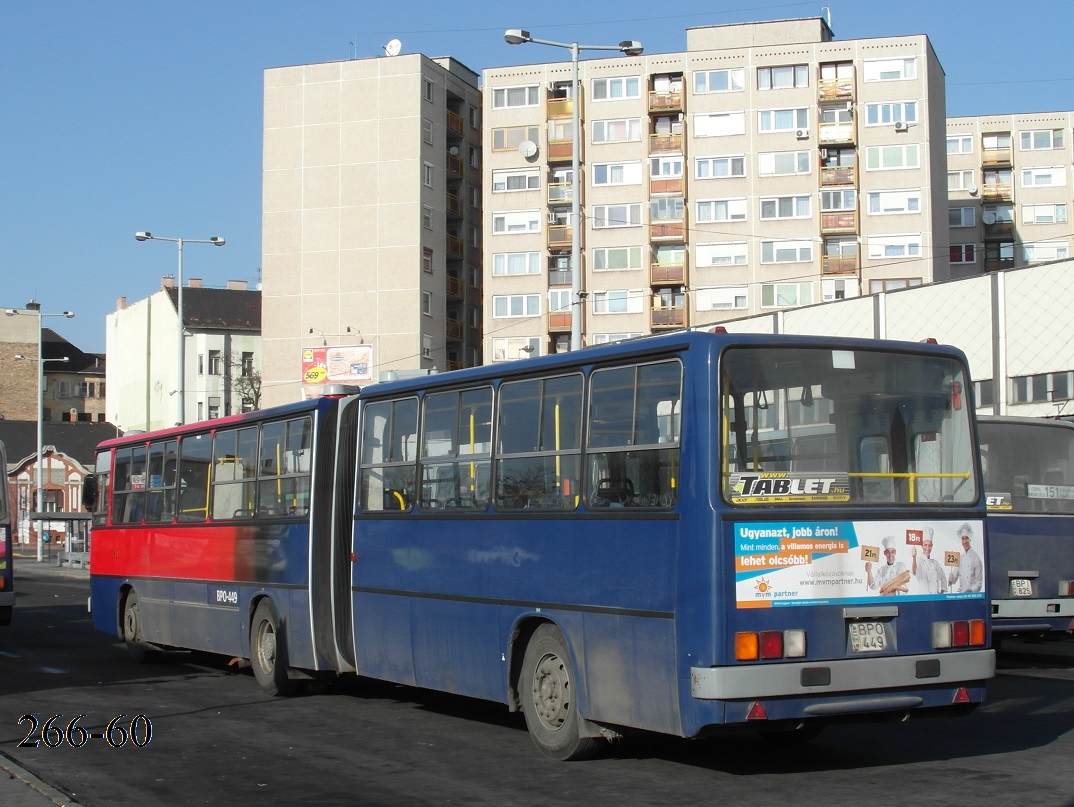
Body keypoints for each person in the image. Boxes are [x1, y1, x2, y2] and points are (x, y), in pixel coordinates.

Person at [948, 522, 984, 592]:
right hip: (961, 595)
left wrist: (970, 590)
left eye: (966, 538)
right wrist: (951, 580)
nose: (964, 541)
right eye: (963, 538)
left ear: (970, 539)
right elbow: (954, 578)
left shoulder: (976, 558)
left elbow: (979, 584)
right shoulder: (960, 557)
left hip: (972, 596)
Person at [911, 528, 947, 594]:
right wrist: (914, 557)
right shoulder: (918, 560)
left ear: (932, 546)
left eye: (930, 545)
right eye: (925, 545)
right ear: (921, 545)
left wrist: (942, 592)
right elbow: (914, 571)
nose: (927, 548)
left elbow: (943, 577)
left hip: (935, 598)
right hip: (923, 598)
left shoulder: (935, 563)